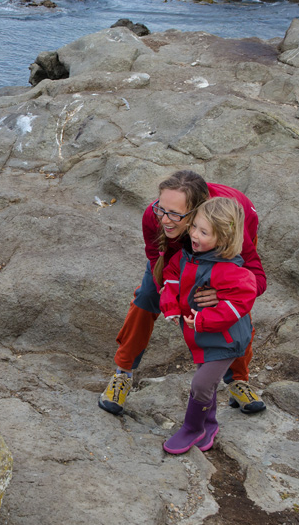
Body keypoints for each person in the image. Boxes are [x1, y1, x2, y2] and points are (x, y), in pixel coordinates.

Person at [98, 170, 267, 416]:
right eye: (161, 208)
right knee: (146, 297)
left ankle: (238, 380)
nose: (165, 220)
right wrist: (173, 297)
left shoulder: (226, 222)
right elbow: (157, 258)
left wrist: (224, 296)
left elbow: (256, 280)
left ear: (198, 212)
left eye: (175, 214)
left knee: (234, 313)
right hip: (177, 258)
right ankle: (123, 373)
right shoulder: (154, 215)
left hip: (219, 245)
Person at [158, 197, 257, 453]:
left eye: (203, 232)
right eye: (194, 227)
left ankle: (192, 428)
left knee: (201, 384)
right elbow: (171, 276)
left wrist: (202, 320)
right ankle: (209, 424)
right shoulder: (188, 257)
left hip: (225, 341)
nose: (193, 234)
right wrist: (170, 304)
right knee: (207, 382)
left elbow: (240, 302)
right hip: (201, 336)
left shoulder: (230, 270)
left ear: (223, 239)